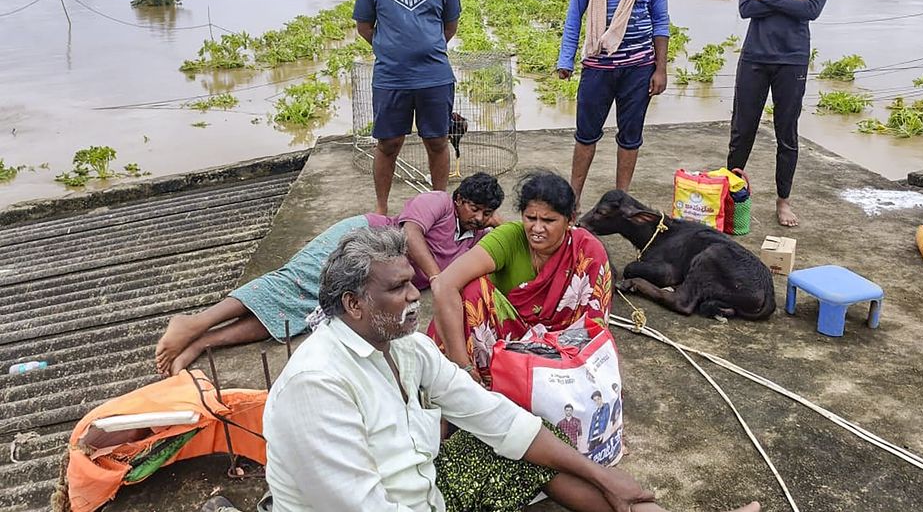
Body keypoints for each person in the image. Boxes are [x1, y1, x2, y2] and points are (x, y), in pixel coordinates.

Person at [262, 225, 760, 512]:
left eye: (412, 283)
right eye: (397, 289)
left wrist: (605, 476)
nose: (416, 296)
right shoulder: (317, 386)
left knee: (524, 438)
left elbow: (492, 415)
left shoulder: (406, 348)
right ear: (353, 304)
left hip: (424, 491)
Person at [154, 173, 502, 376]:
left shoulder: (475, 237)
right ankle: (194, 322)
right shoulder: (438, 201)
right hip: (361, 239)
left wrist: (491, 222)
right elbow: (410, 234)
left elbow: (510, 232)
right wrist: (436, 277)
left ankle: (203, 342)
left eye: (487, 213)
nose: (479, 217)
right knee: (292, 283)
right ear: (458, 199)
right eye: (474, 207)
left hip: (374, 276)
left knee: (303, 315)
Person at [429, 171, 612, 384]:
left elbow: (594, 323)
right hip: (504, 344)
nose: (537, 229)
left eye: (548, 220)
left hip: (561, 354)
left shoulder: (587, 252)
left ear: (569, 220)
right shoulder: (510, 237)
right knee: (470, 291)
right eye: (530, 218)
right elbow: (444, 284)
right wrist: (462, 365)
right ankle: (474, 382)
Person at [727, 0, 836, 228]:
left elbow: (813, 9)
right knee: (742, 129)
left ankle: (783, 200)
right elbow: (746, 7)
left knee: (786, 131)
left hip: (792, 58)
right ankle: (732, 192)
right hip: (755, 56)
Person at [557, 0, 670, 207]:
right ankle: (574, 199)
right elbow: (574, 16)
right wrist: (565, 60)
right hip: (597, 65)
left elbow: (660, 21)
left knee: (630, 137)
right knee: (585, 135)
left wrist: (661, 69)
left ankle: (622, 201)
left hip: (639, 67)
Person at [353, 0, 462, 215]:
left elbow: (449, 25)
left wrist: (426, 47)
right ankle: (381, 209)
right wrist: (391, 48)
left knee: (437, 141)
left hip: (435, 77)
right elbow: (364, 27)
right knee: (388, 144)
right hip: (391, 78)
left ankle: (438, 206)